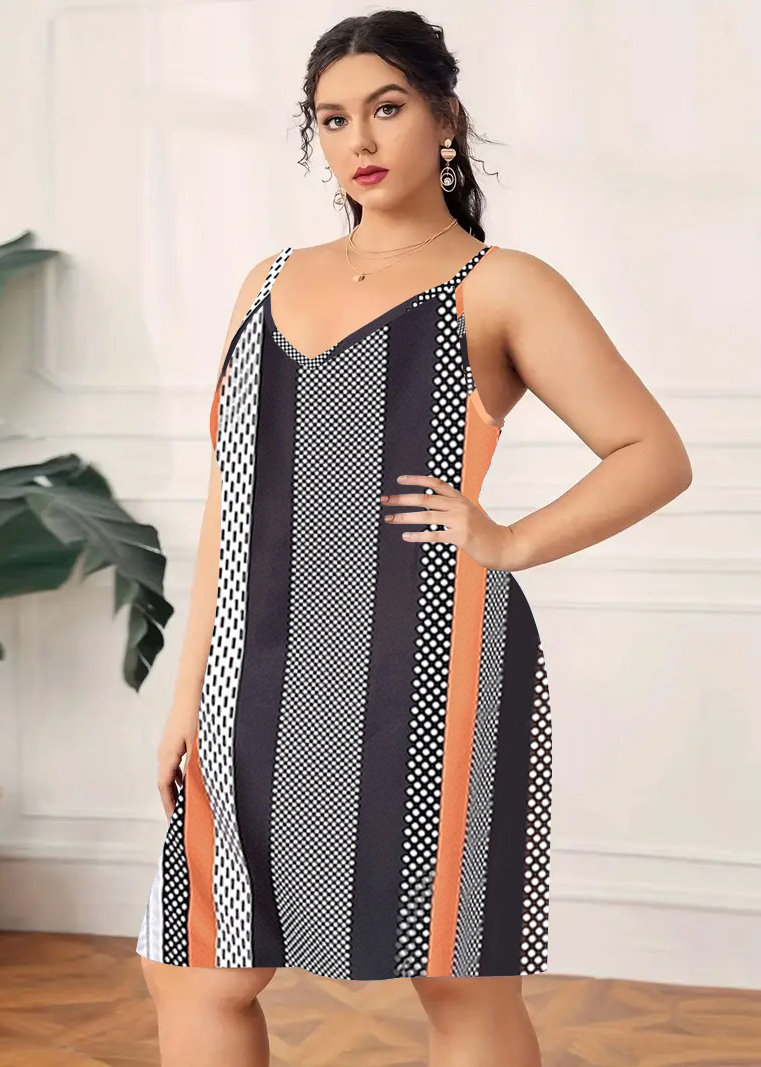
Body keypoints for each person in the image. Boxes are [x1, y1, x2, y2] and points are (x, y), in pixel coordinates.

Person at [135, 10, 692, 1067]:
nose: (359, 139)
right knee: (197, 964)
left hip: (431, 667)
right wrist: (184, 697)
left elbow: (651, 453)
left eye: (385, 108)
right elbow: (229, 501)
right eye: (332, 118)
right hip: (255, 675)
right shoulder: (263, 279)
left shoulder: (501, 284)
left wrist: (508, 539)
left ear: (445, 119)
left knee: (456, 975)